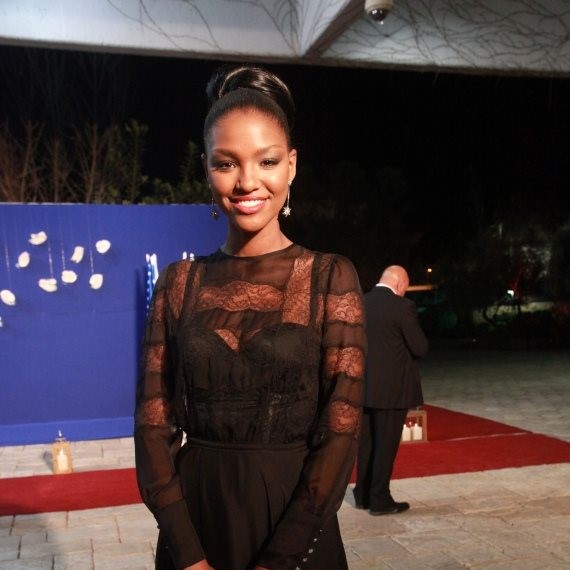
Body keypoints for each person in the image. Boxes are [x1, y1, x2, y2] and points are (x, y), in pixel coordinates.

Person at [134, 64, 366, 570]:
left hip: (294, 528)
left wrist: (279, 560)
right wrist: (187, 556)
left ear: (292, 166)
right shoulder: (177, 283)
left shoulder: (330, 277)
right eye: (226, 163)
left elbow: (341, 429)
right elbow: (152, 426)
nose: (247, 182)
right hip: (195, 526)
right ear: (206, 168)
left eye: (267, 161)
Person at [353, 265, 428, 515]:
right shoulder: (402, 307)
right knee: (385, 446)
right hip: (392, 390)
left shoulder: (359, 302)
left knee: (366, 444)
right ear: (400, 284)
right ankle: (380, 500)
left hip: (363, 388)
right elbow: (420, 347)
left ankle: (363, 495)